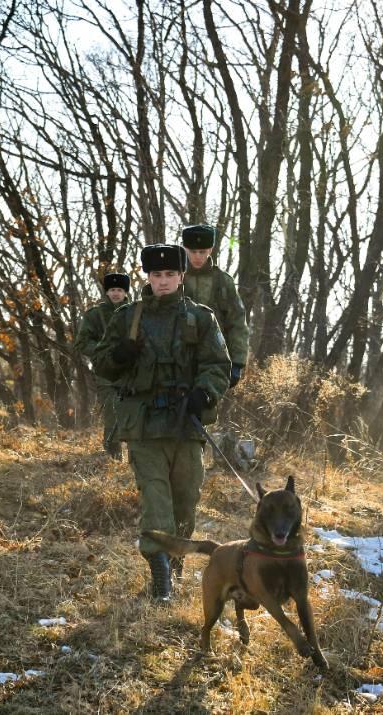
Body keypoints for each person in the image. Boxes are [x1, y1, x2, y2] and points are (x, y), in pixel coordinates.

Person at [92, 244, 231, 603]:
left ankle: (176, 568)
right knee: (157, 503)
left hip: (186, 425)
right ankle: (161, 584)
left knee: (186, 502)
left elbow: (218, 364)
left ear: (181, 277)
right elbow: (103, 365)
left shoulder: (201, 318)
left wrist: (204, 394)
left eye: (170, 274)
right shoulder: (126, 318)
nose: (163, 281)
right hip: (144, 427)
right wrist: (119, 356)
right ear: (148, 277)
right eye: (157, 275)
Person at [181, 224, 249, 387]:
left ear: (210, 250)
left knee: (207, 409)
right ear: (185, 249)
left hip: (214, 360)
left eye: (202, 252)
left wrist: (237, 362)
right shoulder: (174, 278)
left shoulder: (223, 282)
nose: (197, 256)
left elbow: (237, 322)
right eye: (193, 251)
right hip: (179, 359)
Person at [74, 272, 131, 459]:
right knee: (112, 412)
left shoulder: (135, 312)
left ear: (125, 292)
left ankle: (139, 456)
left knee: (136, 413)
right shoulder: (94, 315)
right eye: (112, 290)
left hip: (132, 371)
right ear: (107, 292)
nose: (116, 293)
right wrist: (103, 351)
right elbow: (82, 342)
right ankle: (113, 456)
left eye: (120, 290)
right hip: (106, 372)